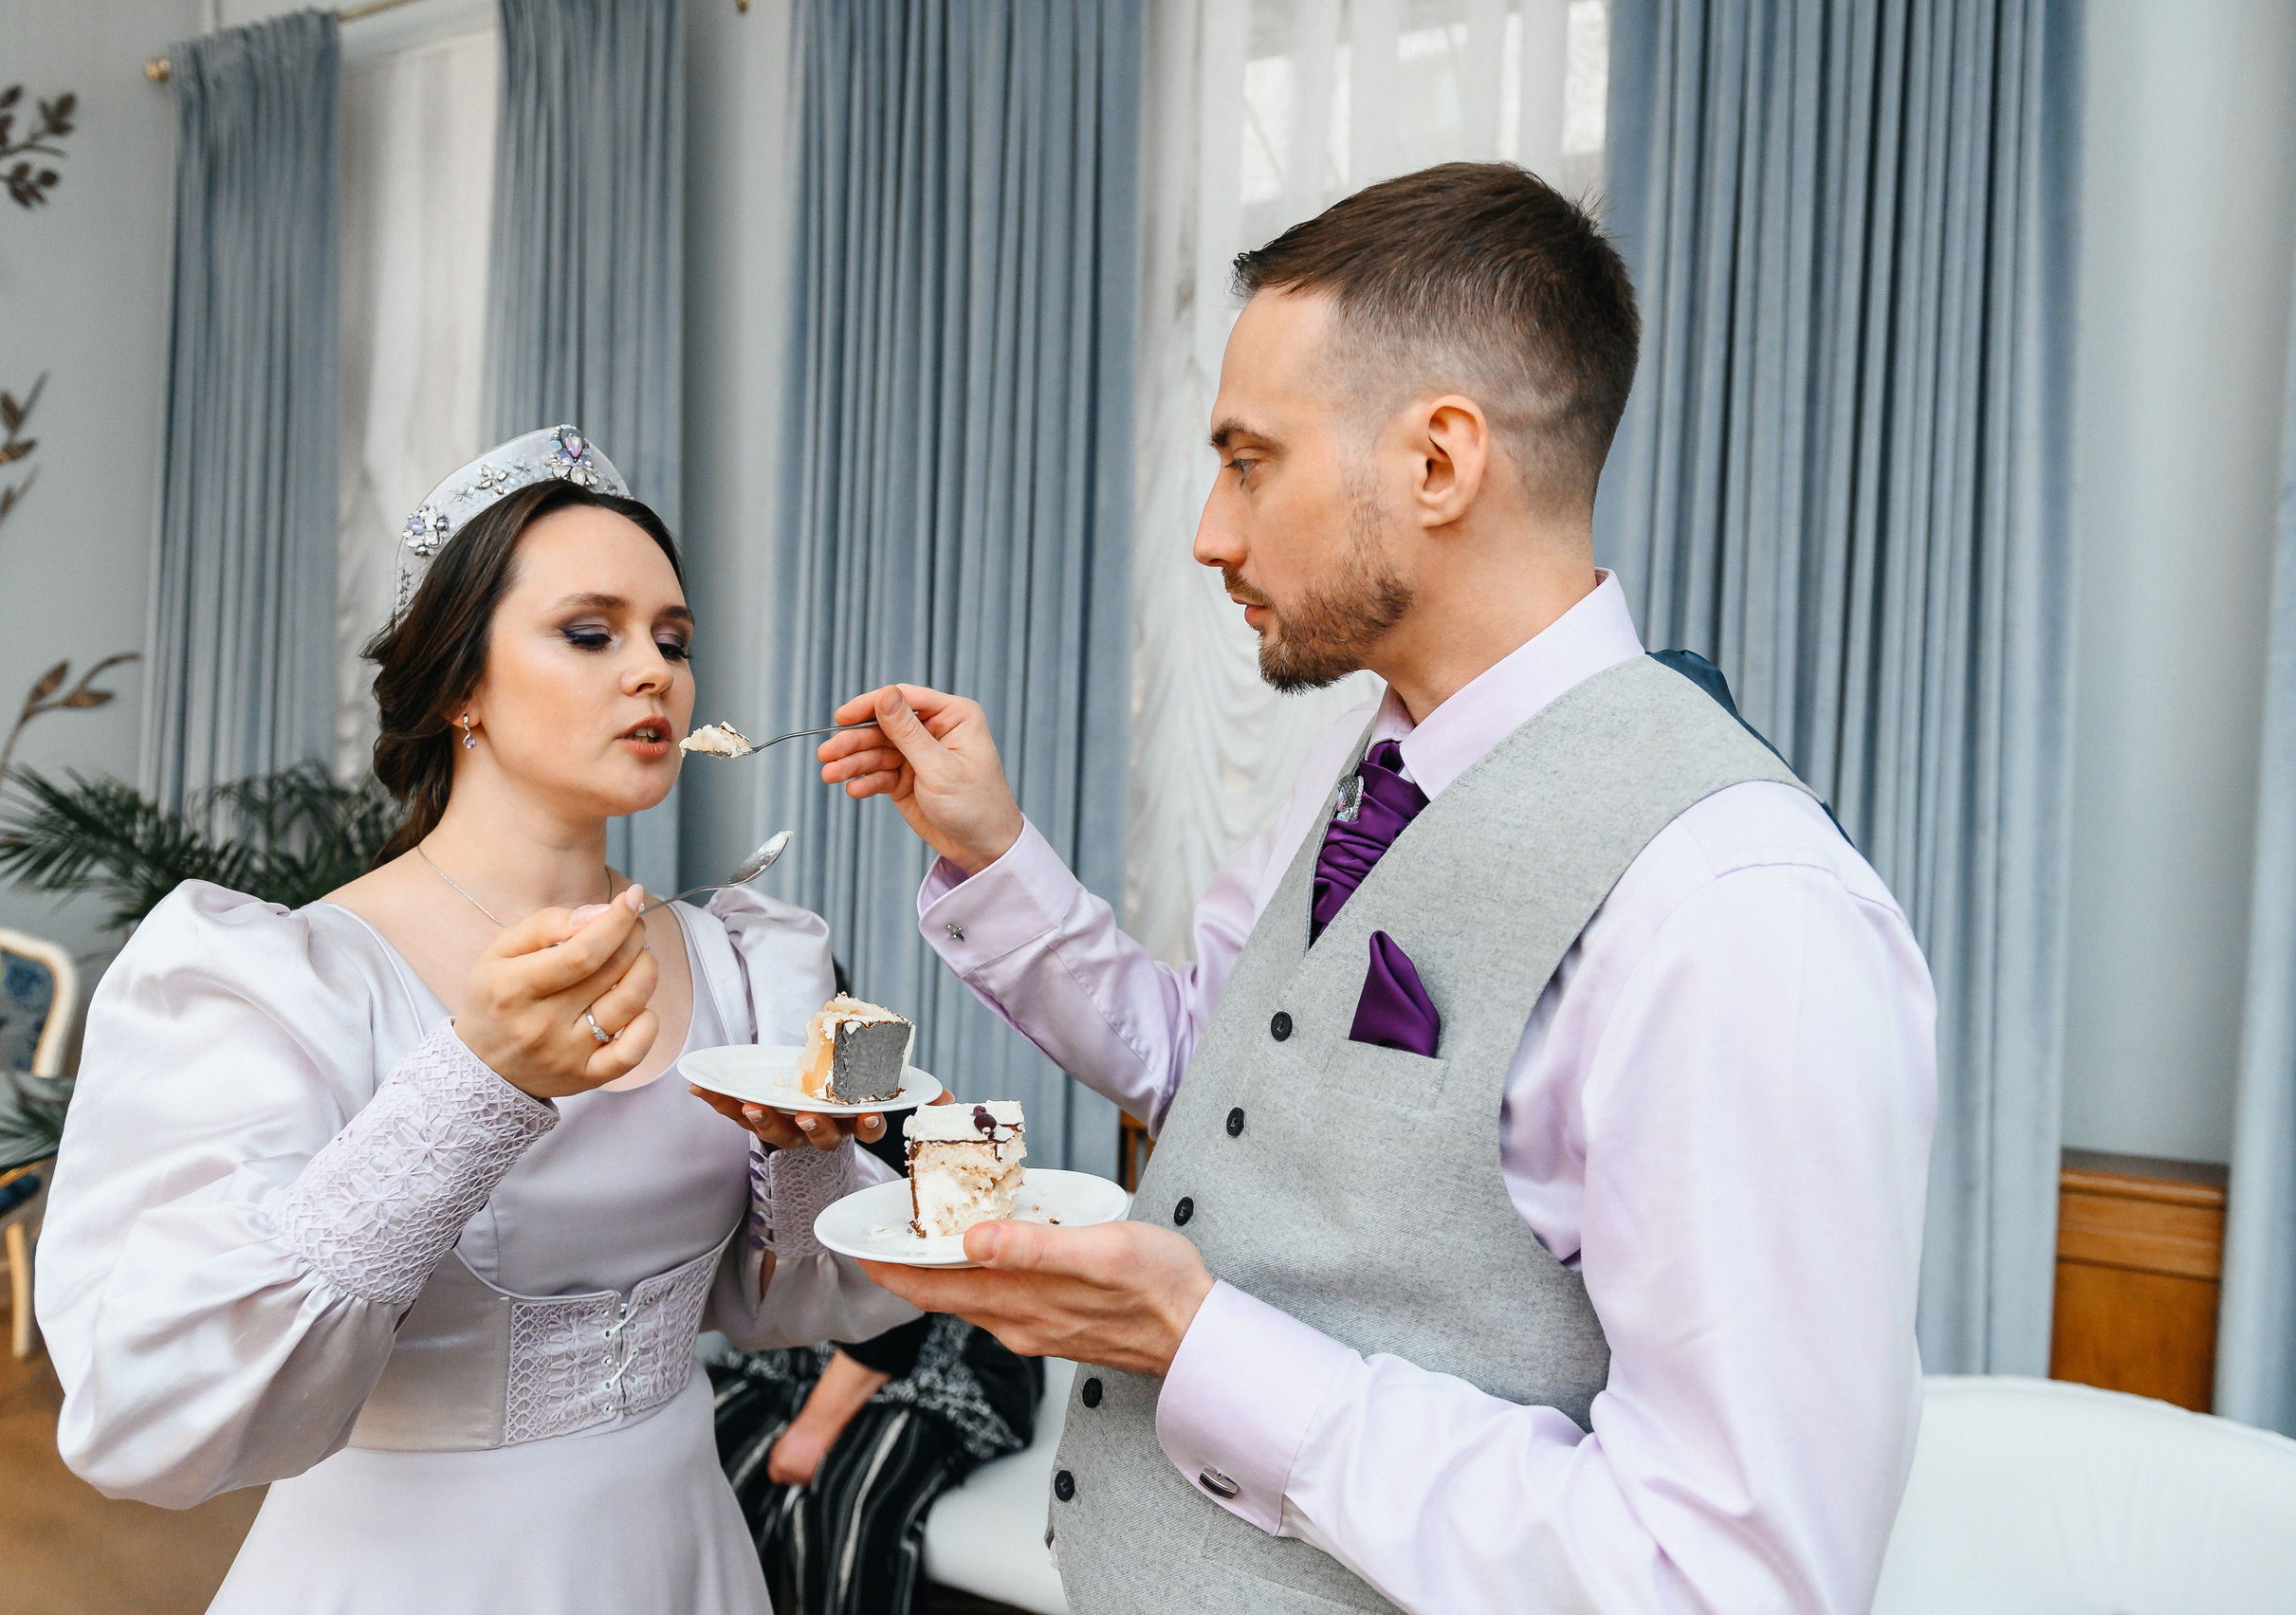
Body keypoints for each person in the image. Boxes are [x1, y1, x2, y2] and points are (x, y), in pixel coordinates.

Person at [816, 164, 1939, 1614]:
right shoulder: (1359, 761)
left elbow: (1723, 1579)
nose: (1211, 533)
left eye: (1250, 460)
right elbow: (1216, 1059)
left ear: (1439, 463)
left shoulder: (1736, 911)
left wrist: (1203, 1344)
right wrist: (992, 849)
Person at [36, 427, 917, 1614]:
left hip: (684, 1552)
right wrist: (476, 1081)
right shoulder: (286, 979)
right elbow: (147, 1414)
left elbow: (793, 1301)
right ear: (461, 685)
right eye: (590, 633)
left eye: (672, 640)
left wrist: (808, 1162)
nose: (653, 672)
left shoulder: (748, 963)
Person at [708, 1114, 1042, 1615]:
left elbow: (903, 1289)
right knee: (717, 1462)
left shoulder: (885, 1115)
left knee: (849, 1508)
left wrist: (813, 1429)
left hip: (935, 1342)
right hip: (810, 1337)